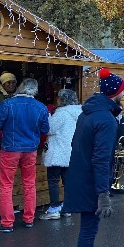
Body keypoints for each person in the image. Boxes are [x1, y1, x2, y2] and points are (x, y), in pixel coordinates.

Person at [63, 68, 124, 247]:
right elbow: (100, 159)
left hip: (80, 177)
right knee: (88, 230)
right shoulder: (106, 120)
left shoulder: (88, 113)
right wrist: (103, 194)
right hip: (90, 182)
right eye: (122, 92)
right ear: (115, 94)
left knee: (88, 229)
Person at [0, 78, 50, 232]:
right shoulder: (41, 107)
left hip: (10, 148)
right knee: (29, 184)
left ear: (20, 88)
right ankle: (29, 219)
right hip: (30, 150)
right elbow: (45, 130)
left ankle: (7, 223)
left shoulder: (8, 104)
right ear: (35, 90)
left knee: (6, 185)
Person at [40, 89, 82, 220]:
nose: (56, 100)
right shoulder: (80, 113)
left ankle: (54, 209)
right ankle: (67, 207)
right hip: (71, 152)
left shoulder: (61, 113)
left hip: (57, 152)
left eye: (58, 98)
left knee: (53, 181)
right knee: (67, 181)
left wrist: (47, 116)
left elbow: (49, 129)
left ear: (63, 99)